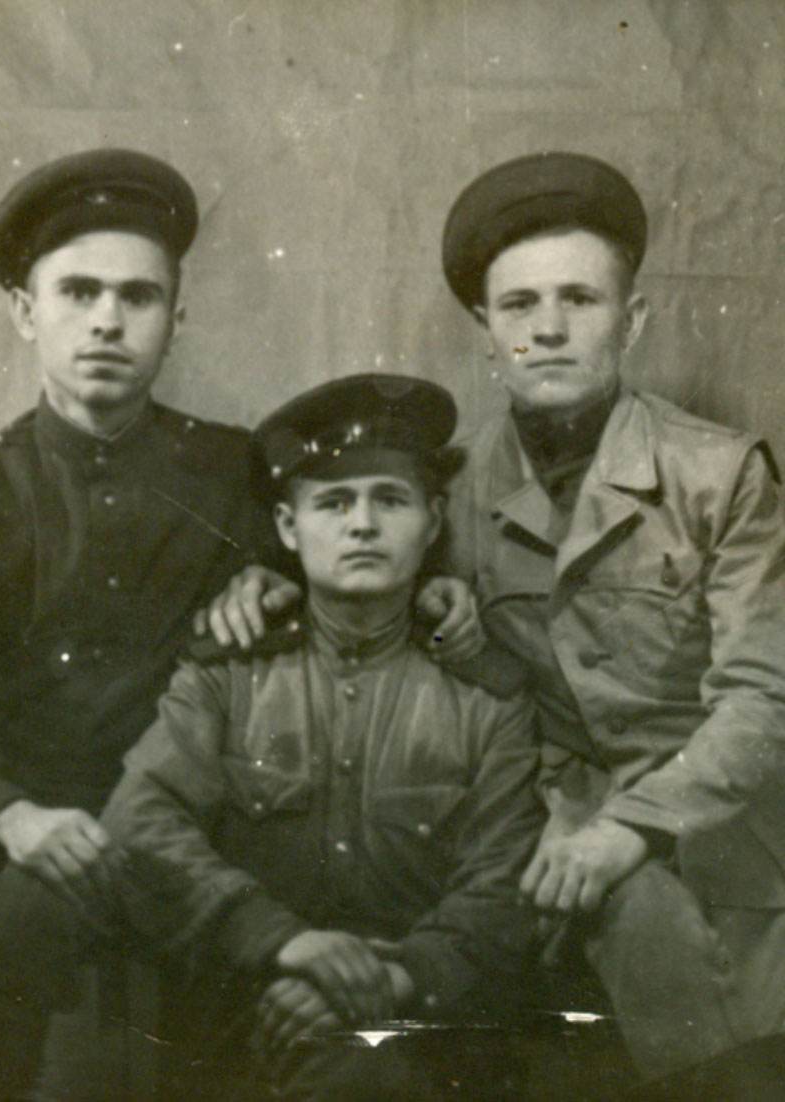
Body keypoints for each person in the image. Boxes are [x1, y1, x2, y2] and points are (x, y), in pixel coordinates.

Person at [438, 151, 785, 1080]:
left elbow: (764, 700)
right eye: (519, 305)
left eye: (580, 300)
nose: (548, 329)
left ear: (631, 320)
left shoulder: (721, 473)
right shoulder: (451, 487)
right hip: (544, 836)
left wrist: (630, 828)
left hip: (726, 843)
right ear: (485, 330)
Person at [101, 373, 544, 1100]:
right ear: (286, 528)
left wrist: (395, 980)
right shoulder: (227, 672)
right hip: (249, 1003)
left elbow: (505, 878)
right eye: (334, 503)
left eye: (390, 500)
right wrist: (282, 942)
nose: (361, 524)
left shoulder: (487, 696)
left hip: (428, 1017)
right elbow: (138, 822)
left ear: (434, 522)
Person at [0, 147, 276, 1095]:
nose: (106, 319)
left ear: (176, 320)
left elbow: (351, 569)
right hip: (36, 830)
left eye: (138, 296)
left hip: (204, 830)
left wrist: (279, 581)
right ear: (24, 311)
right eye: (78, 291)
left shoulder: (242, 475)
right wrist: (8, 817)